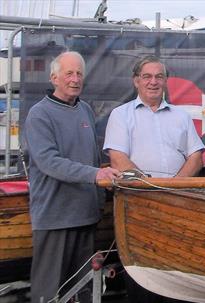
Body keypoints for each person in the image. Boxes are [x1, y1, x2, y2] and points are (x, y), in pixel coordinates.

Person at [25, 51, 122, 303]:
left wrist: (100, 198)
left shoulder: (85, 110)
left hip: (85, 217)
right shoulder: (39, 114)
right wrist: (96, 174)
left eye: (79, 73)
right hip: (55, 218)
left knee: (83, 290)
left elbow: (90, 157)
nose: (75, 79)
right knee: (49, 293)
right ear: (54, 77)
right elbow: (49, 162)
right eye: (69, 73)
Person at [104, 55, 205, 177]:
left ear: (165, 81)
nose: (153, 82)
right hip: (137, 193)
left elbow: (196, 158)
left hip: (179, 192)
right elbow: (117, 159)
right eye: (147, 77)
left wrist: (175, 187)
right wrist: (150, 186)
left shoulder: (182, 116)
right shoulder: (120, 115)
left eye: (159, 77)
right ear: (136, 81)